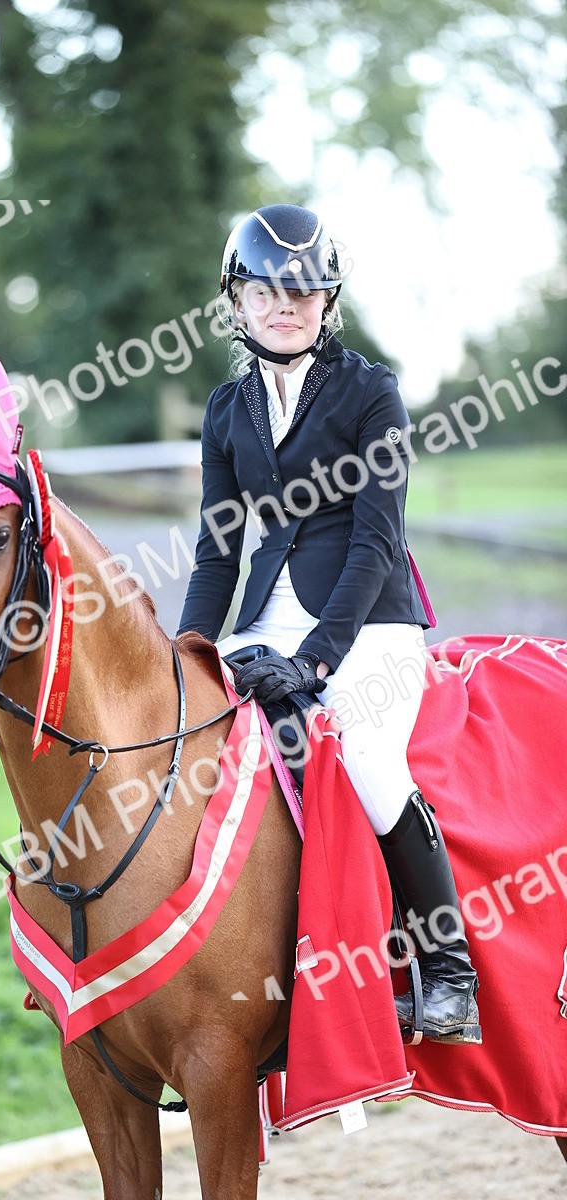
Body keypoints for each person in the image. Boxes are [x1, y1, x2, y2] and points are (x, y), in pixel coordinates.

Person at [177, 203, 480, 1044]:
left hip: (369, 619)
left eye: (305, 292)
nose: (287, 305)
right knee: (192, 753)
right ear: (236, 301)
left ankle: (448, 973)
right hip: (259, 619)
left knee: (368, 758)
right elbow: (216, 551)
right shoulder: (224, 409)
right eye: (269, 291)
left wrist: (313, 663)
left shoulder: (370, 390)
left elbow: (377, 541)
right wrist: (188, 653)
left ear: (327, 300)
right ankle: (210, 987)